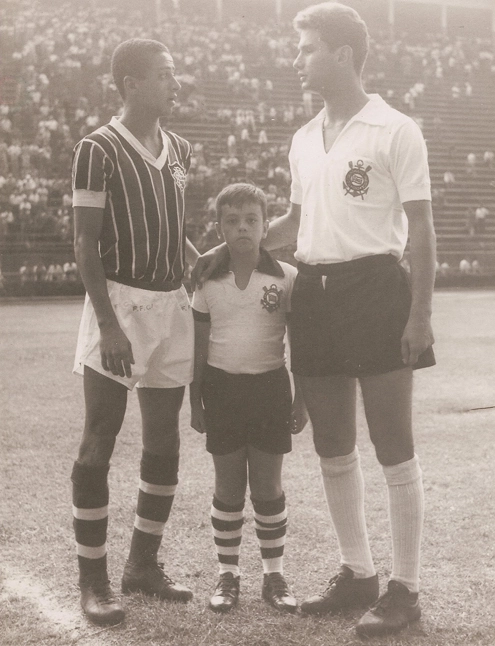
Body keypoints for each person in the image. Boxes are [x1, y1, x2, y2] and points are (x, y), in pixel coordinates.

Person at [193, 3, 436, 638]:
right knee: (332, 444)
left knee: (392, 445)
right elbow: (294, 225)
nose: (296, 59)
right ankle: (357, 572)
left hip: (378, 287)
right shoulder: (303, 138)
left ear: (342, 54)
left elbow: (424, 232)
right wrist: (229, 249)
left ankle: (405, 587)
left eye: (305, 48)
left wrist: (421, 316)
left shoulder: (395, 129)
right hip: (317, 294)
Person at [70, 38, 200, 626]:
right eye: (165, 74)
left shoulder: (178, 148)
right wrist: (107, 325)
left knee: (164, 441)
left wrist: (204, 262)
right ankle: (93, 582)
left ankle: (142, 566)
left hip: (172, 302)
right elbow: (84, 242)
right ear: (130, 82)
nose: (175, 83)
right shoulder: (96, 149)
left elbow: (172, 226)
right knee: (100, 438)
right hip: (120, 305)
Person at [190, 183, 307, 614]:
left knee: (267, 485)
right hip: (221, 390)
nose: (242, 228)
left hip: (270, 388)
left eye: (251, 221)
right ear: (219, 226)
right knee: (228, 486)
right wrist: (194, 400)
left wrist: (302, 400)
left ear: (265, 225)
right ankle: (228, 574)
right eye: (233, 221)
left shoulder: (286, 277)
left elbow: (301, 345)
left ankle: (273, 575)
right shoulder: (206, 278)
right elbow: (199, 346)